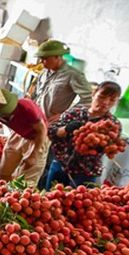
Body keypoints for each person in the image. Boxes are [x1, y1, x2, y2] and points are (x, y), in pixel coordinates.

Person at [29, 39, 93, 186]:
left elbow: (88, 98)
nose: (42, 61)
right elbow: (35, 94)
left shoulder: (73, 75)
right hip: (36, 121)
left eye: (45, 59)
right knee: (32, 158)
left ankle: (39, 192)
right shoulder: (44, 72)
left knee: (44, 162)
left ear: (58, 57)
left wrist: (66, 114)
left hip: (52, 126)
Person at [46, 81, 122, 189]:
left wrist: (101, 145)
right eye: (102, 97)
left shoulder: (113, 124)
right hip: (60, 166)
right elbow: (51, 133)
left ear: (116, 102)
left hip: (85, 174)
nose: (105, 102)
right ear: (94, 93)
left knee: (78, 204)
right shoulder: (74, 113)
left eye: (112, 100)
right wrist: (66, 129)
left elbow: (110, 149)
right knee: (50, 200)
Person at [0, 89, 49, 184]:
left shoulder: (26, 107)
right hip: (18, 133)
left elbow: (42, 131)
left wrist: (33, 154)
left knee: (26, 180)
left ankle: (19, 195)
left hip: (36, 137)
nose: (0, 116)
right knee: (3, 172)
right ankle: (2, 193)